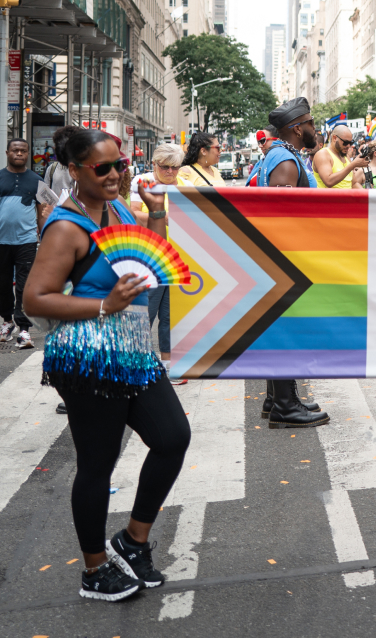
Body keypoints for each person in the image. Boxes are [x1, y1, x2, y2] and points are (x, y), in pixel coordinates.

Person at [25, 127, 190, 602]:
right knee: (98, 464)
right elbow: (35, 298)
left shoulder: (116, 208)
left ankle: (133, 541)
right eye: (102, 168)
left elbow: (143, 265)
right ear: (75, 172)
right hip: (87, 358)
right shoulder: (65, 227)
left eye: (118, 164)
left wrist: (156, 215)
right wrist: (103, 306)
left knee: (172, 437)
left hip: (133, 349)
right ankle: (94, 569)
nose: (115, 174)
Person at [255, 97, 330, 427]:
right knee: (286, 329)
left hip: (282, 256)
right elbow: (280, 216)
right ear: (298, 128)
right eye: (311, 123)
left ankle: (278, 399)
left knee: (280, 326)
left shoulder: (281, 156)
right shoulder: (285, 162)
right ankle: (285, 405)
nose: (315, 128)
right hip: (285, 256)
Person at [130, 143, 188, 385]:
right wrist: (161, 217)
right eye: (165, 167)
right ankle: (138, 363)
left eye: (175, 168)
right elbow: (133, 213)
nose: (171, 173)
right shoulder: (141, 182)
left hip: (177, 256)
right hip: (149, 255)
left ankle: (167, 363)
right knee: (147, 312)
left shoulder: (184, 184)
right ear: (154, 164)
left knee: (171, 314)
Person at [0, 138, 40, 349]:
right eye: (15, 150)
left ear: (28, 153)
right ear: (7, 152)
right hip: (1, 241)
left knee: (24, 285)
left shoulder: (36, 180)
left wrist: (45, 234)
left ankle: (24, 329)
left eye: (23, 151)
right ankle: (7, 321)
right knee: (3, 283)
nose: (19, 154)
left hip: (26, 241)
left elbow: (43, 211)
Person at [313, 125, 367, 189]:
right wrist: (352, 165)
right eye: (345, 142)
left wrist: (369, 197)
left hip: (347, 198)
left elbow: (354, 183)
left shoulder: (346, 156)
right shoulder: (323, 154)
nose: (348, 146)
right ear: (334, 138)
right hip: (329, 199)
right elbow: (328, 181)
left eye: (350, 142)